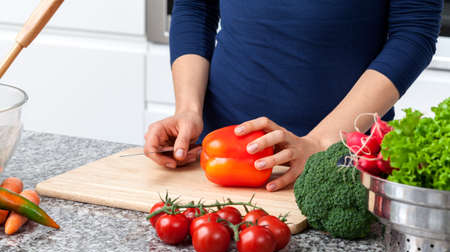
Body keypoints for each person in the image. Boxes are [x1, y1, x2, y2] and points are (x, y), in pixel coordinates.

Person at [144, 1, 442, 192]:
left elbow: (414, 33)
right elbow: (196, 6)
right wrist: (188, 109)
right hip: (222, 156)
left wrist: (322, 142)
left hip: (339, 164)